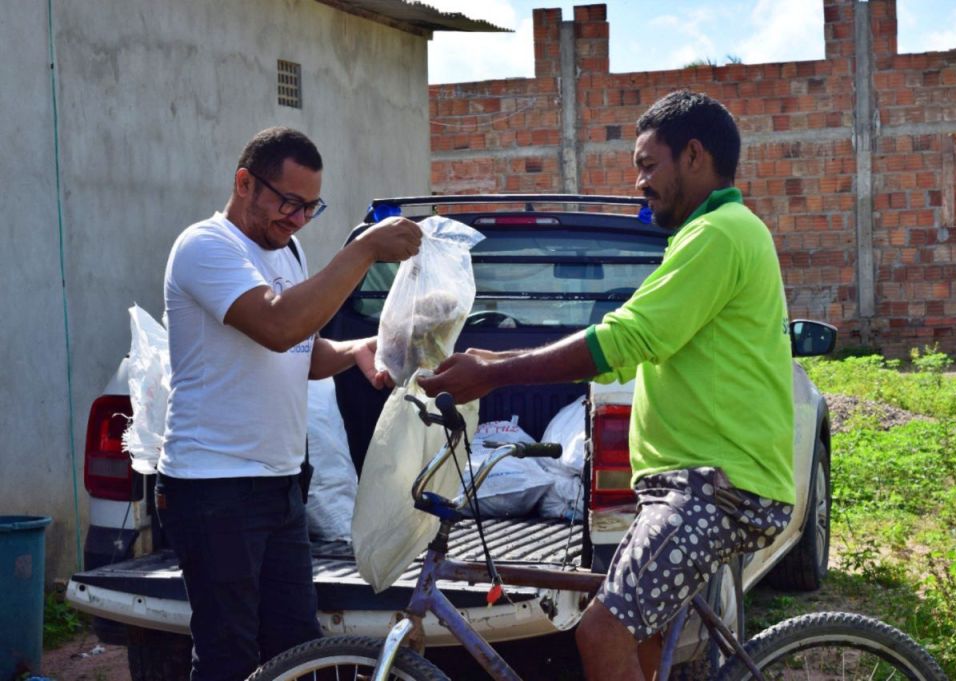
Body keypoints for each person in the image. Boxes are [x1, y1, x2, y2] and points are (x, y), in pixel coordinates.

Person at [419, 91, 794, 680]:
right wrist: (499, 355)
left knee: (601, 632)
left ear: (693, 155)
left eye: (648, 165)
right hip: (693, 483)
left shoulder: (717, 235)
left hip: (713, 487)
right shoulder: (711, 235)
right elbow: (629, 346)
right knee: (640, 648)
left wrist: (495, 373)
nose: (640, 180)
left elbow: (625, 339)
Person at [156, 126, 421, 681]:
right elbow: (277, 325)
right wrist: (366, 249)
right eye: (288, 203)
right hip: (213, 488)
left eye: (310, 208)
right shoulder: (206, 246)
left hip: (280, 484)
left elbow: (301, 351)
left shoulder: (288, 248)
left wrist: (355, 349)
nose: (298, 220)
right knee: (228, 652)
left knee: (296, 648)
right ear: (245, 183)